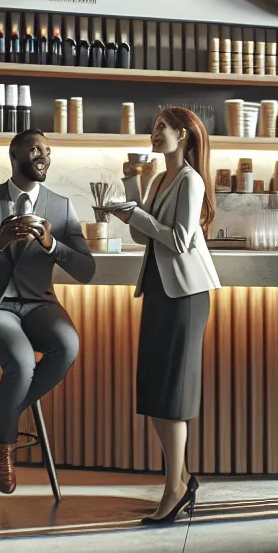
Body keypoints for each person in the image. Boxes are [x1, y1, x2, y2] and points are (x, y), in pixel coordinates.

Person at [0, 129, 97, 494]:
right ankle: (4, 449)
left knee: (68, 345)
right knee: (22, 360)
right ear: (14, 156)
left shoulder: (60, 206)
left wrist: (52, 243)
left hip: (40, 303)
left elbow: (86, 270)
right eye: (34, 149)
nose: (43, 155)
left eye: (47, 150)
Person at [107, 106, 221, 525]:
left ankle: (174, 488)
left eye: (162, 128)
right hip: (158, 290)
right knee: (155, 391)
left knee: (171, 394)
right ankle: (182, 478)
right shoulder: (159, 178)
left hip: (185, 297)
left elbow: (179, 238)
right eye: (154, 128)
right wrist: (133, 190)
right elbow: (142, 234)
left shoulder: (191, 180)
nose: (154, 134)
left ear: (184, 135)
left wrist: (137, 212)